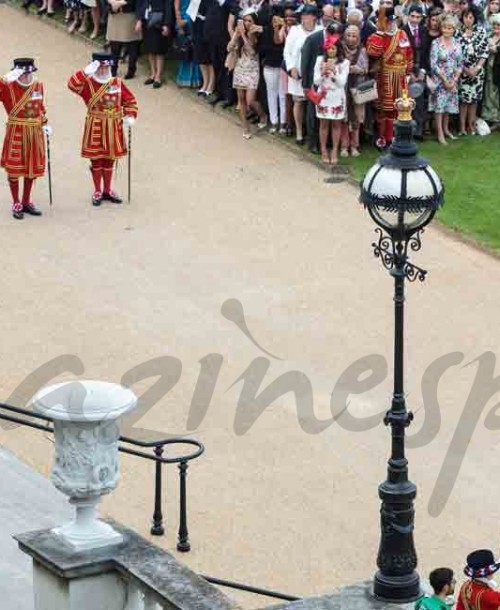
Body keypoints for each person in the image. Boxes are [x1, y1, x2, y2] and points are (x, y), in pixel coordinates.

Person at [67, 53, 138, 206]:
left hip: (114, 125)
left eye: (106, 67)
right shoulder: (88, 83)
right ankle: (97, 190)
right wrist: (85, 72)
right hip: (96, 124)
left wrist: (131, 115)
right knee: (96, 158)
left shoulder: (117, 83)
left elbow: (130, 100)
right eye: (100, 67)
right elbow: (72, 85)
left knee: (110, 158)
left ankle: (107, 189)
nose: (103, 70)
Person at [0, 58, 51, 220]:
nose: (27, 76)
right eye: (24, 73)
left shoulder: (38, 86)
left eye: (30, 72)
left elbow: (39, 107)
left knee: (31, 166)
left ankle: (26, 201)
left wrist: (44, 123)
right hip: (17, 130)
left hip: (34, 131)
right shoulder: (8, 86)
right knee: (15, 167)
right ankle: (16, 202)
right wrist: (4, 79)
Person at [366, 6, 414, 149]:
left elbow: (409, 53)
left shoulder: (402, 34)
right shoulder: (375, 37)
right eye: (388, 21)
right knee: (384, 110)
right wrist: (381, 32)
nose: (391, 24)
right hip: (385, 77)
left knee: (400, 107)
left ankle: (395, 137)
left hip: (401, 78)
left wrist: (408, 73)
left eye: (392, 21)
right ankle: (382, 138)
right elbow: (374, 52)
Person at [284, 4, 322, 145]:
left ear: (313, 17)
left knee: (313, 104)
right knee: (299, 102)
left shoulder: (320, 31)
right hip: (298, 73)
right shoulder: (295, 30)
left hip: (314, 74)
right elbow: (287, 52)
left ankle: (313, 135)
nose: (303, 18)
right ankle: (299, 132)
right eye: (302, 15)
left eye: (306, 15)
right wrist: (291, 67)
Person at [228, 8, 267, 138]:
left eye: (249, 20)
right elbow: (229, 48)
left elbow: (251, 51)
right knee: (241, 100)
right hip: (240, 68)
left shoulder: (255, 35)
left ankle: (262, 115)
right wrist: (235, 36)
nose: (247, 23)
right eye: (245, 20)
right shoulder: (239, 33)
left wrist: (244, 35)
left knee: (250, 100)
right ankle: (245, 127)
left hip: (252, 70)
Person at [313, 34, 350, 164]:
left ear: (338, 49)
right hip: (323, 96)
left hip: (337, 96)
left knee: (336, 124)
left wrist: (334, 72)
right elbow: (316, 82)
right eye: (329, 48)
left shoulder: (345, 63)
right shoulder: (319, 60)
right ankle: (323, 149)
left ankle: (334, 149)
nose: (331, 51)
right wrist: (323, 73)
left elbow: (342, 83)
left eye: (334, 48)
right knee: (323, 124)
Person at [428, 12, 463, 143]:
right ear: (441, 28)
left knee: (448, 106)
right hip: (440, 80)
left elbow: (460, 64)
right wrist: (444, 80)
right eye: (445, 27)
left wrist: (454, 80)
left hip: (453, 80)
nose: (447, 30)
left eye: (450, 28)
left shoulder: (457, 43)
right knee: (440, 107)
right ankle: (440, 132)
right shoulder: (436, 43)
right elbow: (433, 64)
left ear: (454, 29)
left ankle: (446, 129)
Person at [456, 5, 488, 134]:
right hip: (462, 71)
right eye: (465, 17)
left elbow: (484, 52)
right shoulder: (457, 32)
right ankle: (462, 126)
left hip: (477, 72)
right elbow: (455, 54)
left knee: (474, 100)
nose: (468, 20)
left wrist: (477, 68)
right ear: (462, 18)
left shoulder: (481, 31)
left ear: (475, 18)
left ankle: (471, 125)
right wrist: (465, 69)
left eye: (471, 17)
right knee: (463, 101)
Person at [341, 24, 368, 156]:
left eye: (354, 36)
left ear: (358, 37)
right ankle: (344, 146)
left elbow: (366, 68)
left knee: (356, 118)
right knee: (344, 118)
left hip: (358, 89)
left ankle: (354, 146)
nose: (351, 38)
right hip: (342, 89)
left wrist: (359, 70)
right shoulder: (340, 49)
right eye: (349, 35)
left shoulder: (362, 50)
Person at [136, 0, 175, 88]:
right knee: (150, 49)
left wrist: (166, 24)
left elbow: (168, 7)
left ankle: (158, 76)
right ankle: (152, 74)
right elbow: (141, 4)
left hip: (159, 22)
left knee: (159, 50)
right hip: (147, 21)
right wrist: (139, 20)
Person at [403, 4, 427, 138]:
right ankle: (406, 132)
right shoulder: (402, 31)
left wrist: (423, 71)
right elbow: (401, 53)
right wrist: (409, 72)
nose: (415, 19)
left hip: (421, 68)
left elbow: (426, 53)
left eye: (418, 17)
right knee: (407, 101)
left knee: (420, 101)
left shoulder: (424, 31)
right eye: (412, 16)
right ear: (408, 16)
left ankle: (418, 131)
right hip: (407, 70)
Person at [107, 0, 142, 79]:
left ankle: (131, 70)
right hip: (115, 16)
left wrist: (121, 2)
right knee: (114, 47)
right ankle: (113, 69)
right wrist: (112, 2)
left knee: (132, 45)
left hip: (130, 15)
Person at [481, 12, 500, 122]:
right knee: (488, 93)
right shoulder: (489, 37)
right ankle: (490, 118)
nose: (496, 28)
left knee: (496, 95)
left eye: (499, 26)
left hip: (498, 70)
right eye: (495, 25)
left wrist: (496, 49)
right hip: (488, 69)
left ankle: (497, 118)